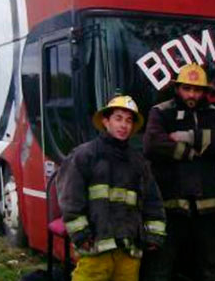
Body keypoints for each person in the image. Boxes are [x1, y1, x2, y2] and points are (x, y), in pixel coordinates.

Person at [57, 95, 166, 281]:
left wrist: (154, 235)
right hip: (95, 248)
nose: (124, 125)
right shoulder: (85, 156)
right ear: (105, 121)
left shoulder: (138, 162)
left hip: (128, 249)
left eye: (129, 120)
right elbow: (70, 199)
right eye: (118, 118)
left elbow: (153, 201)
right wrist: (81, 235)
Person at [142, 63, 215, 281]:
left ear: (204, 91)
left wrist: (185, 137)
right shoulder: (161, 112)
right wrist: (192, 152)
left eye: (197, 89)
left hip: (207, 205)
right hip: (171, 204)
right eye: (187, 88)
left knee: (213, 265)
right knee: (161, 266)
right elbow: (153, 144)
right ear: (177, 88)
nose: (192, 94)